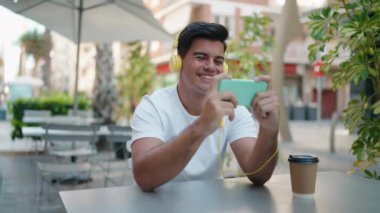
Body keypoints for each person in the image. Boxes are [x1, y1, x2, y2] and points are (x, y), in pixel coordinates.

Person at [130, 21, 280, 192]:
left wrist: (269, 130)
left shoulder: (235, 108)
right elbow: (144, 177)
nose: (210, 67)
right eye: (200, 57)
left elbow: (259, 175)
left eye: (218, 61)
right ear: (178, 62)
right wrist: (203, 125)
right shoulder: (152, 106)